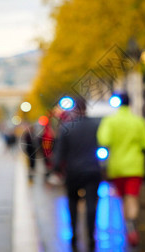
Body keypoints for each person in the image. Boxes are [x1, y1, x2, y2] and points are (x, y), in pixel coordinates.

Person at [97, 93, 145, 247]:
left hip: (117, 167)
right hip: (135, 166)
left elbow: (103, 140)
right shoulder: (138, 121)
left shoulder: (110, 121)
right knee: (132, 196)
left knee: (123, 198)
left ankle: (128, 225)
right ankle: (131, 224)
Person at [53, 98, 102, 250]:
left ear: (74, 109)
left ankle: (74, 234)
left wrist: (56, 169)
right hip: (93, 170)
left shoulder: (67, 127)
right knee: (91, 204)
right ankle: (91, 235)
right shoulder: (96, 125)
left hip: (73, 172)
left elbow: (59, 154)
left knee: (72, 203)